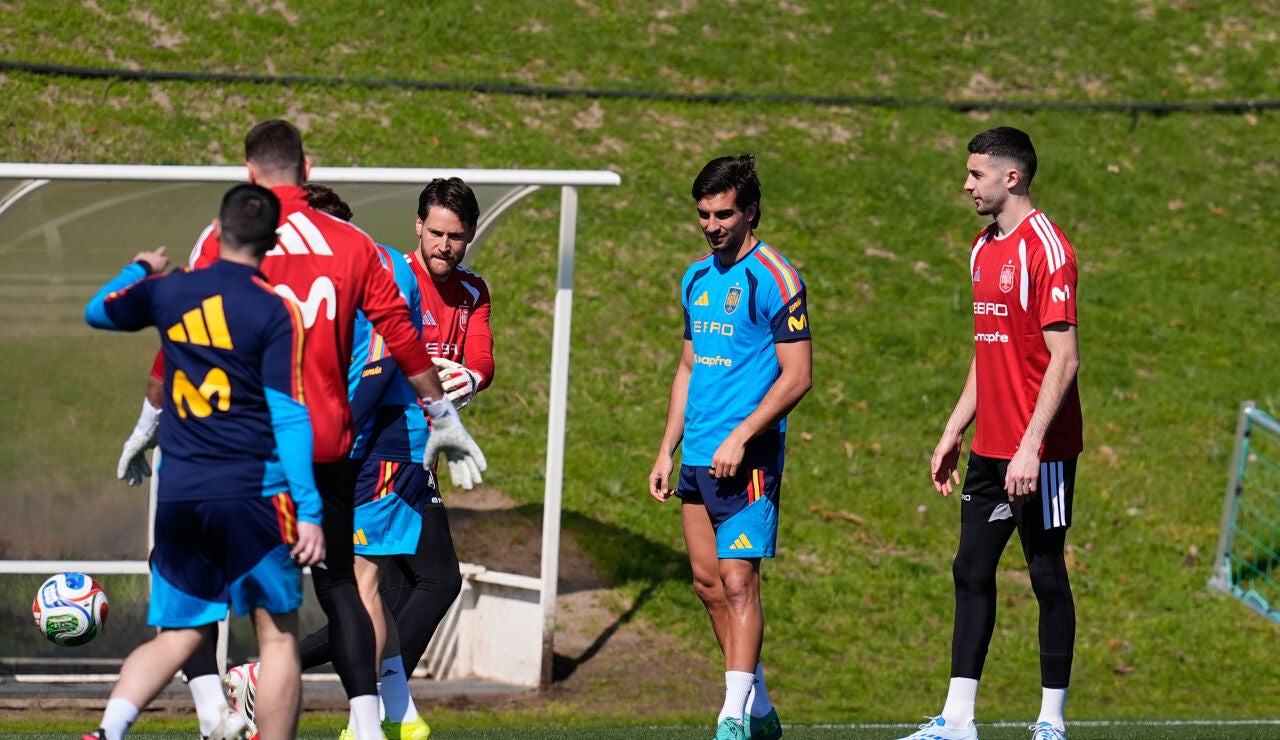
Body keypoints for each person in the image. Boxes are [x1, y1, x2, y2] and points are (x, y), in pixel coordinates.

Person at [157, 120, 486, 740]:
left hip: (244, 445)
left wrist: (162, 413)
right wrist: (441, 413)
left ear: (251, 173)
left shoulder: (226, 241)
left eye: (455, 235)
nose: (447, 244)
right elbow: (399, 343)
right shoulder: (360, 250)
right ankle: (375, 715)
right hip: (343, 445)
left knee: (212, 581)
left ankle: (206, 708)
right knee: (336, 592)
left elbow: (184, 323)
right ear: (305, 170)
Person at [81, 184, 326, 740]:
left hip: (181, 495)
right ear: (273, 243)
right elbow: (289, 417)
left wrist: (138, 268)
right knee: (279, 637)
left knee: (179, 636)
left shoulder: (168, 292)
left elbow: (98, 312)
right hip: (253, 496)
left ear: (216, 232)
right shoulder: (275, 309)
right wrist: (309, 510)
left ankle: (110, 729)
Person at [899, 127, 1081, 740]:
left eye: (976, 174)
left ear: (1013, 178)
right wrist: (955, 427)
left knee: (1046, 576)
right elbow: (990, 350)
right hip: (989, 448)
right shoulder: (982, 249)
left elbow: (1064, 359)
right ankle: (957, 720)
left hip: (1040, 453)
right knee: (970, 571)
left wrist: (1031, 447)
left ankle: (1050, 723)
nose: (966, 184)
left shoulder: (1047, 251)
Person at [648, 154, 811, 740]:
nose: (712, 225)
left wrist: (743, 437)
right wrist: (667, 448)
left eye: (723, 214)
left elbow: (797, 377)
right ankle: (760, 709)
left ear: (750, 212)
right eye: (704, 215)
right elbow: (689, 366)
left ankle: (731, 717)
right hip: (696, 459)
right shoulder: (695, 278)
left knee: (740, 581)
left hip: (751, 460)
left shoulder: (777, 278)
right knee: (708, 585)